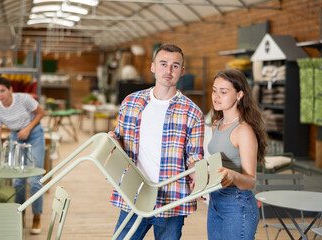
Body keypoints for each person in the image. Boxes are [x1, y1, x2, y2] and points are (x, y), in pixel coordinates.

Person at [108, 43, 204, 240]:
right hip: (135, 195)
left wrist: (200, 177)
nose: (168, 71)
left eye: (175, 66)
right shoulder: (131, 102)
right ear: (153, 67)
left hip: (171, 199)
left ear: (182, 71)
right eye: (163, 64)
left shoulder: (193, 112)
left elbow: (194, 157)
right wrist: (112, 141)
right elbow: (120, 142)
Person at [207, 69, 267, 239]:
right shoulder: (216, 124)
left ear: (239, 95)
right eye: (214, 90)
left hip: (237, 204)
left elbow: (251, 181)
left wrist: (232, 176)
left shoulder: (244, 131)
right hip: (216, 200)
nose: (216, 96)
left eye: (224, 92)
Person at [0, 76, 45, 235]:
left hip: (34, 135)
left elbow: (41, 113)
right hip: (16, 137)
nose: (0, 94)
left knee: (35, 180)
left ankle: (37, 217)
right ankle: (20, 216)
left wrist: (28, 129)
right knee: (17, 181)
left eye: (3, 90)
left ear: (10, 90)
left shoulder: (24, 99)